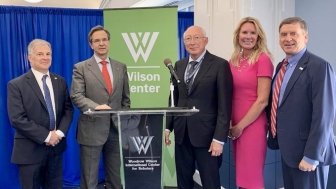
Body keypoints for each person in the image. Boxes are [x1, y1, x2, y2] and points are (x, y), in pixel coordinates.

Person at [268, 17, 336, 189]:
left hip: (308, 154)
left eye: (294, 34)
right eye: (283, 34)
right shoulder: (281, 66)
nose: (288, 38)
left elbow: (324, 116)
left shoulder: (320, 67)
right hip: (288, 150)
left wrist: (311, 156)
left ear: (305, 37)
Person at [165, 25, 233, 189]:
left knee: (210, 182)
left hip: (208, 137)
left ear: (205, 41)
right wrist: (168, 127)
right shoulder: (178, 65)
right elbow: (173, 98)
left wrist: (219, 139)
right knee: (183, 181)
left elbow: (225, 105)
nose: (192, 42)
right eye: (188, 38)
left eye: (196, 37)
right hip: (182, 135)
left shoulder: (219, 65)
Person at [7, 39, 74, 189]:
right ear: (29, 58)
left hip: (56, 149)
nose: (45, 57)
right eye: (40, 54)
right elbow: (17, 119)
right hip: (29, 152)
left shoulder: (60, 81)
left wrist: (59, 133)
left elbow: (68, 110)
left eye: (48, 54)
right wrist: (47, 136)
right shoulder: (16, 85)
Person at [71, 25, 130, 189]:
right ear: (91, 44)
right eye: (97, 41)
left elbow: (126, 100)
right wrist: (97, 107)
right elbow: (76, 95)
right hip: (91, 130)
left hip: (115, 130)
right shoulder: (81, 68)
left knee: (116, 179)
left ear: (109, 42)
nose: (101, 43)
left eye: (104, 39)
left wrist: (124, 124)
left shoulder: (121, 67)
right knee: (89, 180)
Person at [229, 17, 274, 189]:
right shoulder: (233, 60)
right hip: (235, 126)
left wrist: (240, 126)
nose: (248, 36)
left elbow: (262, 100)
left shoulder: (263, 59)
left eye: (252, 33)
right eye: (244, 32)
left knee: (252, 177)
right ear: (238, 35)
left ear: (259, 37)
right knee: (242, 176)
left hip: (251, 126)